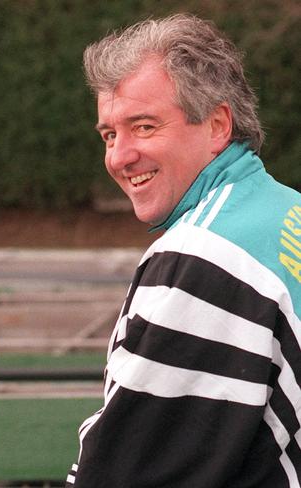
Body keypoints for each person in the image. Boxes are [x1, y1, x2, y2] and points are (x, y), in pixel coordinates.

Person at [68, 13, 301, 487]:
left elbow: (125, 470)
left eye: (144, 126)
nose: (119, 155)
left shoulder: (202, 258)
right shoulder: (287, 209)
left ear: (217, 125)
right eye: (109, 134)